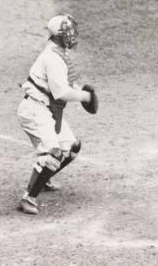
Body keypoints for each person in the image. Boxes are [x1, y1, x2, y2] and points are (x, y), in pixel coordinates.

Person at [17, 14, 98, 215]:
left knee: (71, 148)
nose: (73, 36)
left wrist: (80, 90)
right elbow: (61, 92)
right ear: (59, 35)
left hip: (48, 110)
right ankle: (29, 198)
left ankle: (42, 180)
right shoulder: (53, 58)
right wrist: (85, 97)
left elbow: (67, 84)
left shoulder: (59, 53)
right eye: (69, 32)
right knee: (53, 153)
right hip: (36, 110)